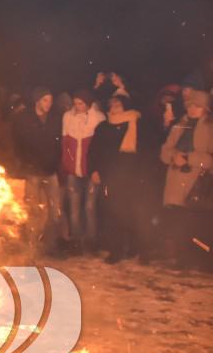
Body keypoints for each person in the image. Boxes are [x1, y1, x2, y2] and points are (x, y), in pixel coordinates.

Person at [159, 90, 213, 270]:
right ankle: (180, 259)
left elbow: (210, 158)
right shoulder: (180, 125)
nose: (192, 109)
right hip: (175, 179)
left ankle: (195, 261)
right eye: (189, 105)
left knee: (193, 223)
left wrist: (189, 158)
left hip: (195, 183)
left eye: (196, 106)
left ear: (205, 108)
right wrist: (174, 157)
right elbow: (165, 151)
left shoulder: (210, 127)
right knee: (176, 221)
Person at [90, 94, 146, 263]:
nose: (114, 110)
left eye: (118, 106)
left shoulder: (135, 124)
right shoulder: (103, 127)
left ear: (126, 107)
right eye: (112, 106)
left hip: (130, 177)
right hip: (109, 176)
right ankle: (115, 250)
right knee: (111, 213)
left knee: (129, 213)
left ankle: (133, 247)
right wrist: (95, 170)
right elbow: (94, 151)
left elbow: (143, 152)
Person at [12, 87, 67, 257]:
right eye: (45, 100)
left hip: (50, 171)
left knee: (55, 210)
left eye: (50, 100)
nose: (48, 104)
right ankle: (31, 247)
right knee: (33, 211)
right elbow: (17, 143)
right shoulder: (24, 118)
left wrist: (56, 164)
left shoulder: (55, 119)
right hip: (32, 172)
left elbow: (59, 145)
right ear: (37, 100)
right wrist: (24, 163)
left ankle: (51, 247)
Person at [60, 88, 105, 253]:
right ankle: (76, 242)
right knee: (74, 208)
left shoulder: (98, 118)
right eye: (76, 103)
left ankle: (91, 241)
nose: (78, 106)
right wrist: (67, 165)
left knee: (89, 207)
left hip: (90, 171)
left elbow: (99, 147)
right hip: (74, 171)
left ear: (88, 103)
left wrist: (97, 169)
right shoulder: (68, 117)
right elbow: (65, 144)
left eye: (81, 103)